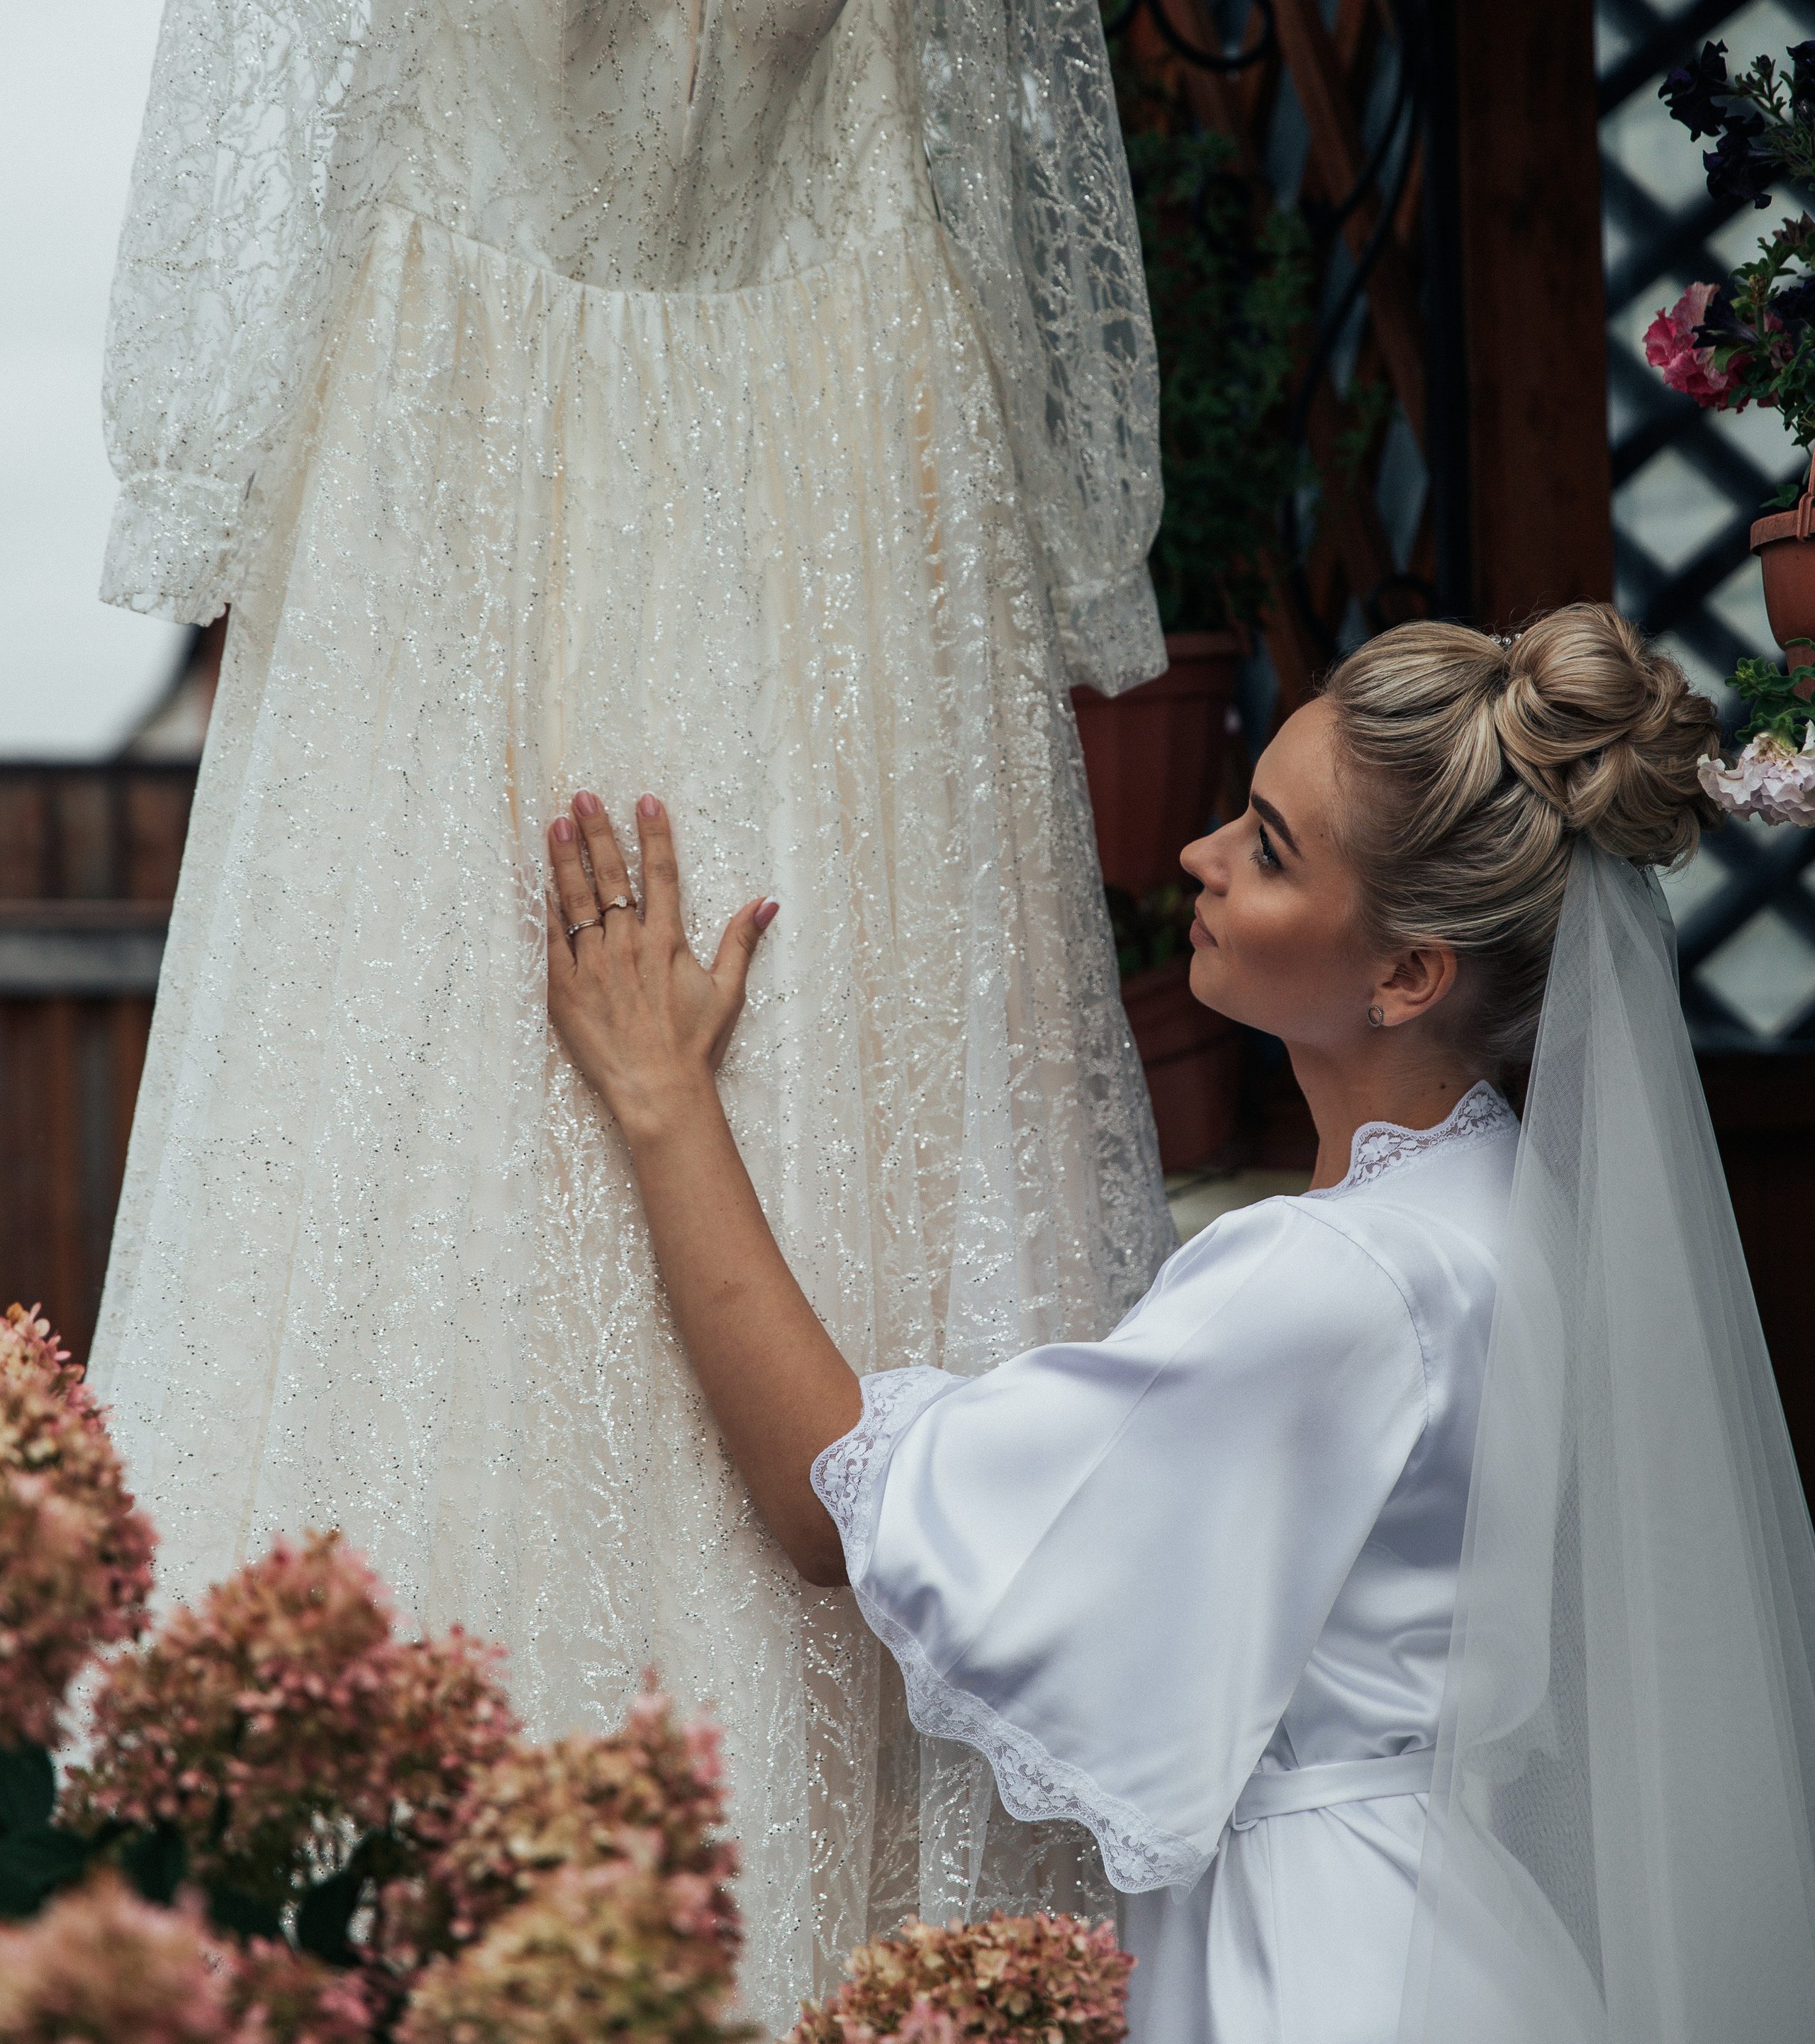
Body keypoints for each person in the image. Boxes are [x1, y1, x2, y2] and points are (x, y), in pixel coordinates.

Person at [543, 604, 1815, 2044]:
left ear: (1407, 974)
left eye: (1268, 848)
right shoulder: (1497, 1220)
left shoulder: (1329, 1279)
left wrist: (661, 1099)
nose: (1200, 860)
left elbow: (838, 1504)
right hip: (1452, 1928)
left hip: (1319, 1969)